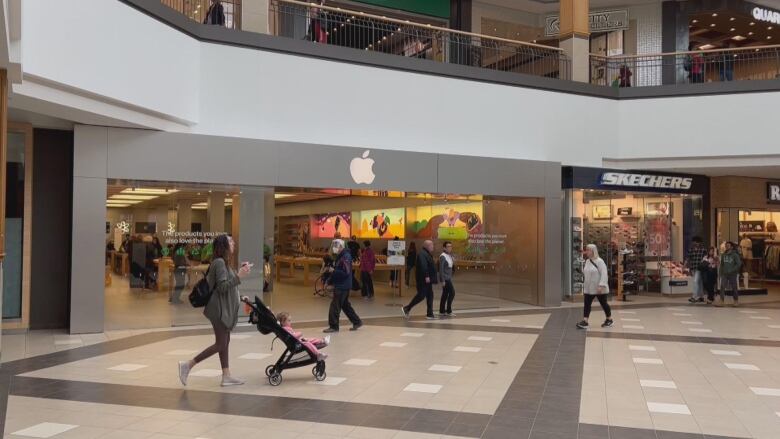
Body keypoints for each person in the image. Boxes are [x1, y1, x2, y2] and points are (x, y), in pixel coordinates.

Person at [178, 235, 251, 387]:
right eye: (230, 241)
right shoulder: (219, 263)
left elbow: (228, 287)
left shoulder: (224, 263)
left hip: (223, 308)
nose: (234, 243)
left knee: (225, 342)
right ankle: (188, 365)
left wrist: (239, 293)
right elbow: (222, 287)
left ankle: (226, 375)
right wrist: (240, 276)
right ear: (224, 245)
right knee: (220, 343)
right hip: (218, 310)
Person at [323, 239, 363, 333]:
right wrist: (328, 281)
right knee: (345, 305)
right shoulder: (341, 256)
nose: (334, 248)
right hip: (342, 284)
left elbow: (345, 272)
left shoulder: (346, 257)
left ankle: (334, 326)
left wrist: (333, 271)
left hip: (342, 285)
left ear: (341, 246)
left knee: (335, 306)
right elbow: (337, 270)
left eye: (336, 246)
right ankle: (357, 321)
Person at [576, 244, 613, 329]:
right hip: (589, 288)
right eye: (586, 250)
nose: (587, 252)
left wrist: (601, 285)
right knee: (587, 304)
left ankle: (609, 319)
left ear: (593, 251)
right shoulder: (587, 261)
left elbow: (604, 274)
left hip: (598, 288)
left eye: (588, 250)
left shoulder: (600, 261)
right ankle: (585, 321)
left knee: (604, 303)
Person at [401, 240, 438, 320]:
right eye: (432, 245)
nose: (433, 247)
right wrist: (427, 276)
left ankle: (430, 314)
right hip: (424, 280)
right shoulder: (422, 254)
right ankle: (407, 308)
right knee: (421, 295)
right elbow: (424, 266)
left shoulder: (426, 254)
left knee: (430, 296)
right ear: (427, 246)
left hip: (427, 280)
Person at [718, 241, 742, 307]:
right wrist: (720, 273)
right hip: (724, 274)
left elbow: (739, 264)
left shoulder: (735, 255)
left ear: (731, 247)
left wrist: (733, 270)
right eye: (726, 245)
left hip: (732, 274)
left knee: (734, 287)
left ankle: (736, 300)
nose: (726, 246)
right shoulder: (723, 255)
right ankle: (721, 300)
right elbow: (722, 265)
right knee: (722, 286)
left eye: (728, 245)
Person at [686, 236, 708, 304]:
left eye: (695, 242)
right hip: (693, 268)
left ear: (698, 242)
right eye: (694, 242)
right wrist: (685, 266)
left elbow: (706, 258)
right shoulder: (691, 249)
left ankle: (694, 296)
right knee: (699, 282)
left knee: (695, 281)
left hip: (700, 268)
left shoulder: (703, 250)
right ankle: (701, 297)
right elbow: (688, 258)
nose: (694, 243)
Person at [438, 241, 456, 317]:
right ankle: (449, 311)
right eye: (448, 246)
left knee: (445, 294)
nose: (450, 248)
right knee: (452, 293)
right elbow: (441, 269)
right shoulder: (443, 256)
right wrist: (442, 280)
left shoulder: (449, 255)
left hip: (448, 277)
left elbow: (451, 267)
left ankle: (442, 311)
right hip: (446, 279)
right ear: (444, 247)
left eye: (451, 246)